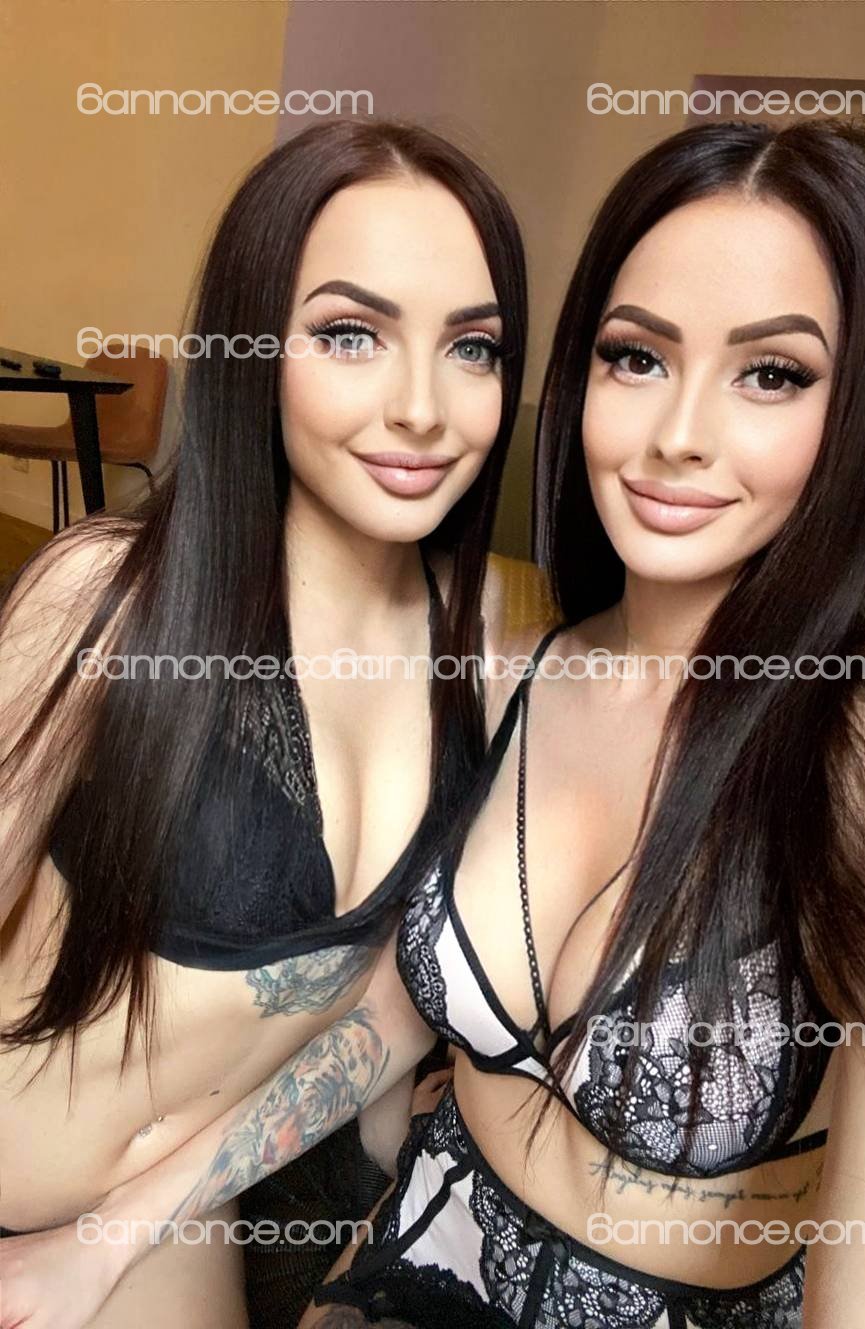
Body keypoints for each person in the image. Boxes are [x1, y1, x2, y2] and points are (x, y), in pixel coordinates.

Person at [10, 118, 865, 1329]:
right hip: (354, 1248)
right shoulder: (512, 672)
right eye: (636, 356)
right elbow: (392, 1017)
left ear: (863, 408)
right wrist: (109, 1237)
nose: (680, 435)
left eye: (772, 374)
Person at [0, 117, 541, 1329]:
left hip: (152, 1217)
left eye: (472, 347)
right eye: (352, 334)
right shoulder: (110, 598)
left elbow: (388, 1011)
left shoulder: (486, 653)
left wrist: (108, 1241)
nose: (423, 408)